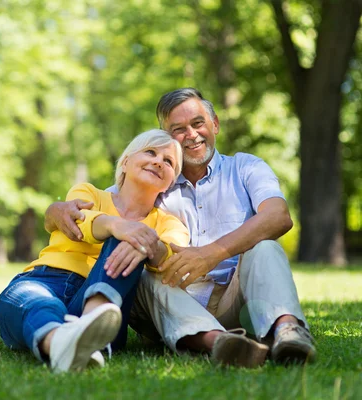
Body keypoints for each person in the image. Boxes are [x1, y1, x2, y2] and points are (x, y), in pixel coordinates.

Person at [45, 88, 316, 368]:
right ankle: (219, 343)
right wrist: (54, 211)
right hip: (167, 299)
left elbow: (278, 216)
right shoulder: (157, 177)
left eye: (198, 123)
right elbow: (100, 206)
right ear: (167, 136)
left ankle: (287, 332)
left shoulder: (246, 168)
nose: (191, 134)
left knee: (265, 246)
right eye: (178, 129)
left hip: (233, 298)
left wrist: (211, 253)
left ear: (215, 124)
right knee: (140, 255)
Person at [0, 129, 189, 373]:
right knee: (35, 302)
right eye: (150, 152)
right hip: (46, 281)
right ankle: (60, 341)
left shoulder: (169, 223)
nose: (158, 161)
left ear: (170, 182)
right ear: (126, 162)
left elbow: (174, 254)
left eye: (168, 161)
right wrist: (116, 225)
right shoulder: (88, 193)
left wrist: (144, 243)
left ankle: (92, 323)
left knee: (134, 239)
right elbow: (79, 220)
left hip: (108, 301)